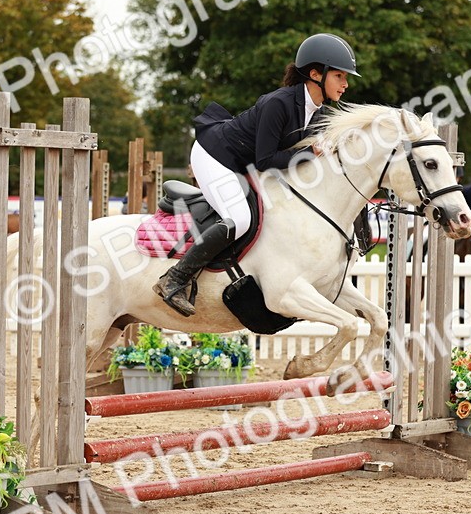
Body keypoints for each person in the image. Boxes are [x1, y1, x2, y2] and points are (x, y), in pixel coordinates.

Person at [153, 33, 358, 316]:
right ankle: (175, 278)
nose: (346, 84)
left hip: (243, 163)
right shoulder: (279, 103)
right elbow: (266, 160)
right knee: (240, 218)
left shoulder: (320, 115)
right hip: (215, 155)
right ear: (315, 74)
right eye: (339, 76)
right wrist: (310, 152)